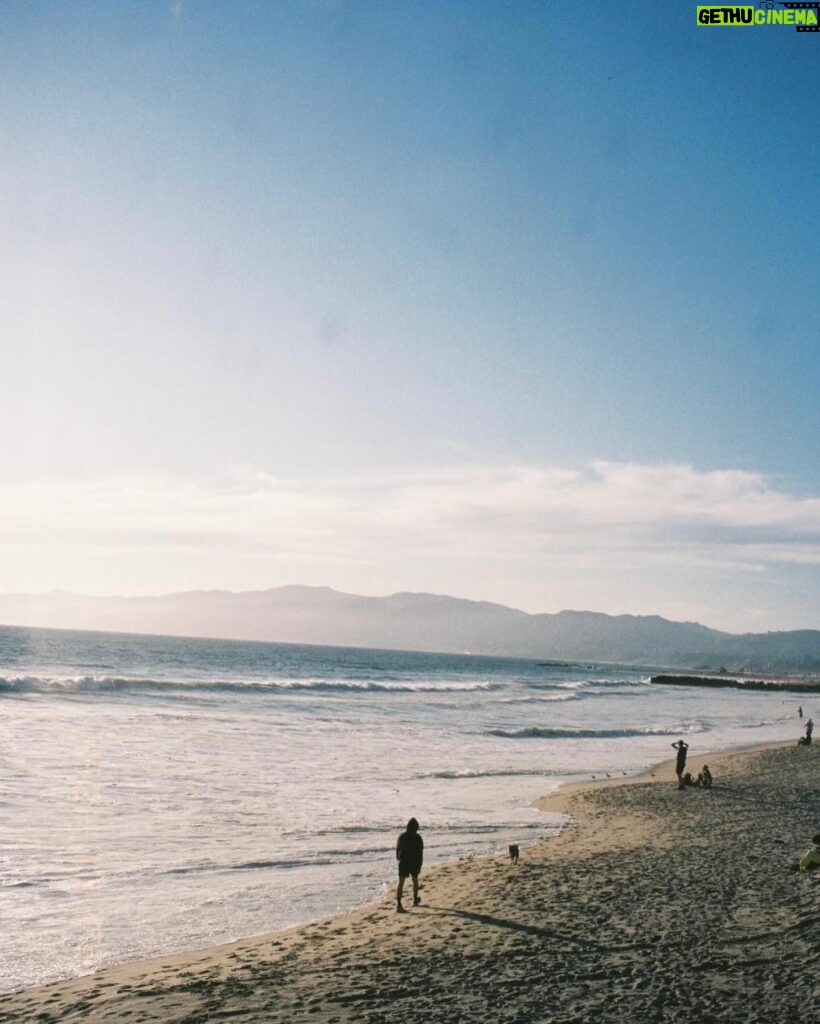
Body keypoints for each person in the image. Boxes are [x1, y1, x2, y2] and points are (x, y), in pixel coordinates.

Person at [396, 817, 423, 913]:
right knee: (415, 880)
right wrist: (420, 865)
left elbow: (398, 849)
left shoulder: (402, 836)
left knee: (401, 883)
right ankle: (415, 899)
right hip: (414, 861)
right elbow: (420, 853)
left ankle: (399, 904)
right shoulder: (418, 838)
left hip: (403, 861)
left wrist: (398, 858)